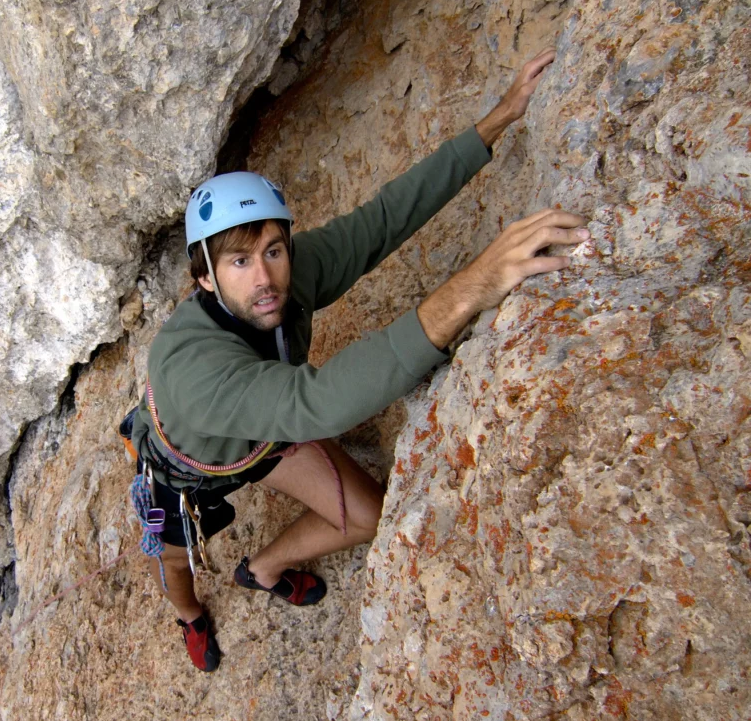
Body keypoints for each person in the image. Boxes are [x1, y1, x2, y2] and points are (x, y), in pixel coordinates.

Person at [128, 50, 588, 671]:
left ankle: (263, 568)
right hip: (190, 473)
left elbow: (379, 223)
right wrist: (479, 282)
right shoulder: (194, 370)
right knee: (175, 562)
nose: (264, 277)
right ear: (205, 279)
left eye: (272, 250)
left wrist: (496, 122)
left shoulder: (279, 279)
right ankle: (190, 618)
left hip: (264, 443)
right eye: (239, 262)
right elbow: (318, 403)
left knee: (369, 516)